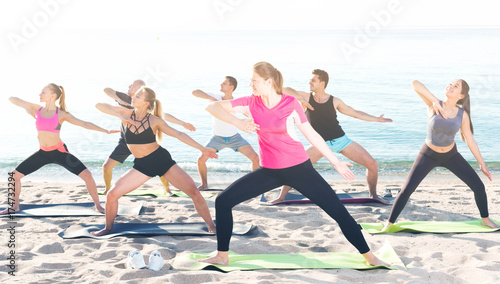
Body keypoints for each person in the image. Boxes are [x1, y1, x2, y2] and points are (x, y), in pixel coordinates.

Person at [198, 62, 389, 267]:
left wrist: (336, 162)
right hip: (269, 172)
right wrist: (238, 122)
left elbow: (312, 135)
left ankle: (370, 257)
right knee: (223, 201)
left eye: (254, 80)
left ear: (268, 81)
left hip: (300, 170)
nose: (250, 84)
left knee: (338, 211)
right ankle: (222, 255)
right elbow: (211, 106)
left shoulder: (290, 103)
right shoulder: (250, 103)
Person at [92, 86, 218, 236]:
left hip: (161, 160)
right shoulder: (126, 113)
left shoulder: (155, 120)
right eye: (135, 95)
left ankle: (211, 226)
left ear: (146, 103)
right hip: (142, 165)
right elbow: (99, 106)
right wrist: (120, 116)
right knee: (112, 194)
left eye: (138, 96)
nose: (133, 97)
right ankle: (108, 228)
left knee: (194, 193)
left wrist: (202, 149)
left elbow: (179, 134)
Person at [381, 79, 499, 231]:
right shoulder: (433, 104)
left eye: (456, 86)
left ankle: (485, 220)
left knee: (478, 186)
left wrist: (482, 164)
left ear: (461, 95)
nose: (450, 86)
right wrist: (435, 100)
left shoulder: (462, 115)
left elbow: (470, 140)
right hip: (428, 154)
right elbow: (415, 84)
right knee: (407, 189)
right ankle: (389, 223)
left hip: (451, 156)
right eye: (450, 83)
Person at [270, 69, 392, 204]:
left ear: (322, 83)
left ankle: (373, 195)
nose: (309, 82)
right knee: (295, 167)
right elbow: (285, 89)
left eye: (313, 80)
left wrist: (377, 119)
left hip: (341, 141)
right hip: (320, 144)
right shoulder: (306, 98)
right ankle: (281, 197)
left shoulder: (335, 101)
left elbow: (355, 113)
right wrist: (298, 98)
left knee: (372, 164)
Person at [1, 83, 119, 215]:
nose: (40, 94)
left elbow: (84, 123)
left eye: (43, 92)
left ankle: (98, 206)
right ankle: (14, 206)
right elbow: (12, 98)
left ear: (52, 95)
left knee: (87, 175)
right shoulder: (37, 109)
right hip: (42, 153)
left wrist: (105, 131)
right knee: (13, 176)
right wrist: (26, 107)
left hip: (59, 152)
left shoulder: (61, 114)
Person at [103, 79, 196, 194]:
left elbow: (163, 115)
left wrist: (182, 123)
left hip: (144, 141)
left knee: (159, 165)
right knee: (106, 166)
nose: (129, 86)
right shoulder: (126, 98)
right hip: (126, 141)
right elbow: (107, 90)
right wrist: (120, 101)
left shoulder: (146, 103)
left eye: (132, 86)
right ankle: (107, 190)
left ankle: (167, 189)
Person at [192, 76, 259, 190]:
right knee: (201, 160)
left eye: (224, 83)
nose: (220, 85)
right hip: (217, 138)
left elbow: (248, 114)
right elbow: (195, 92)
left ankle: (253, 185)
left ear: (231, 87)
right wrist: (211, 98)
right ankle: (204, 184)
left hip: (235, 138)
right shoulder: (215, 97)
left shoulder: (237, 102)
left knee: (255, 158)